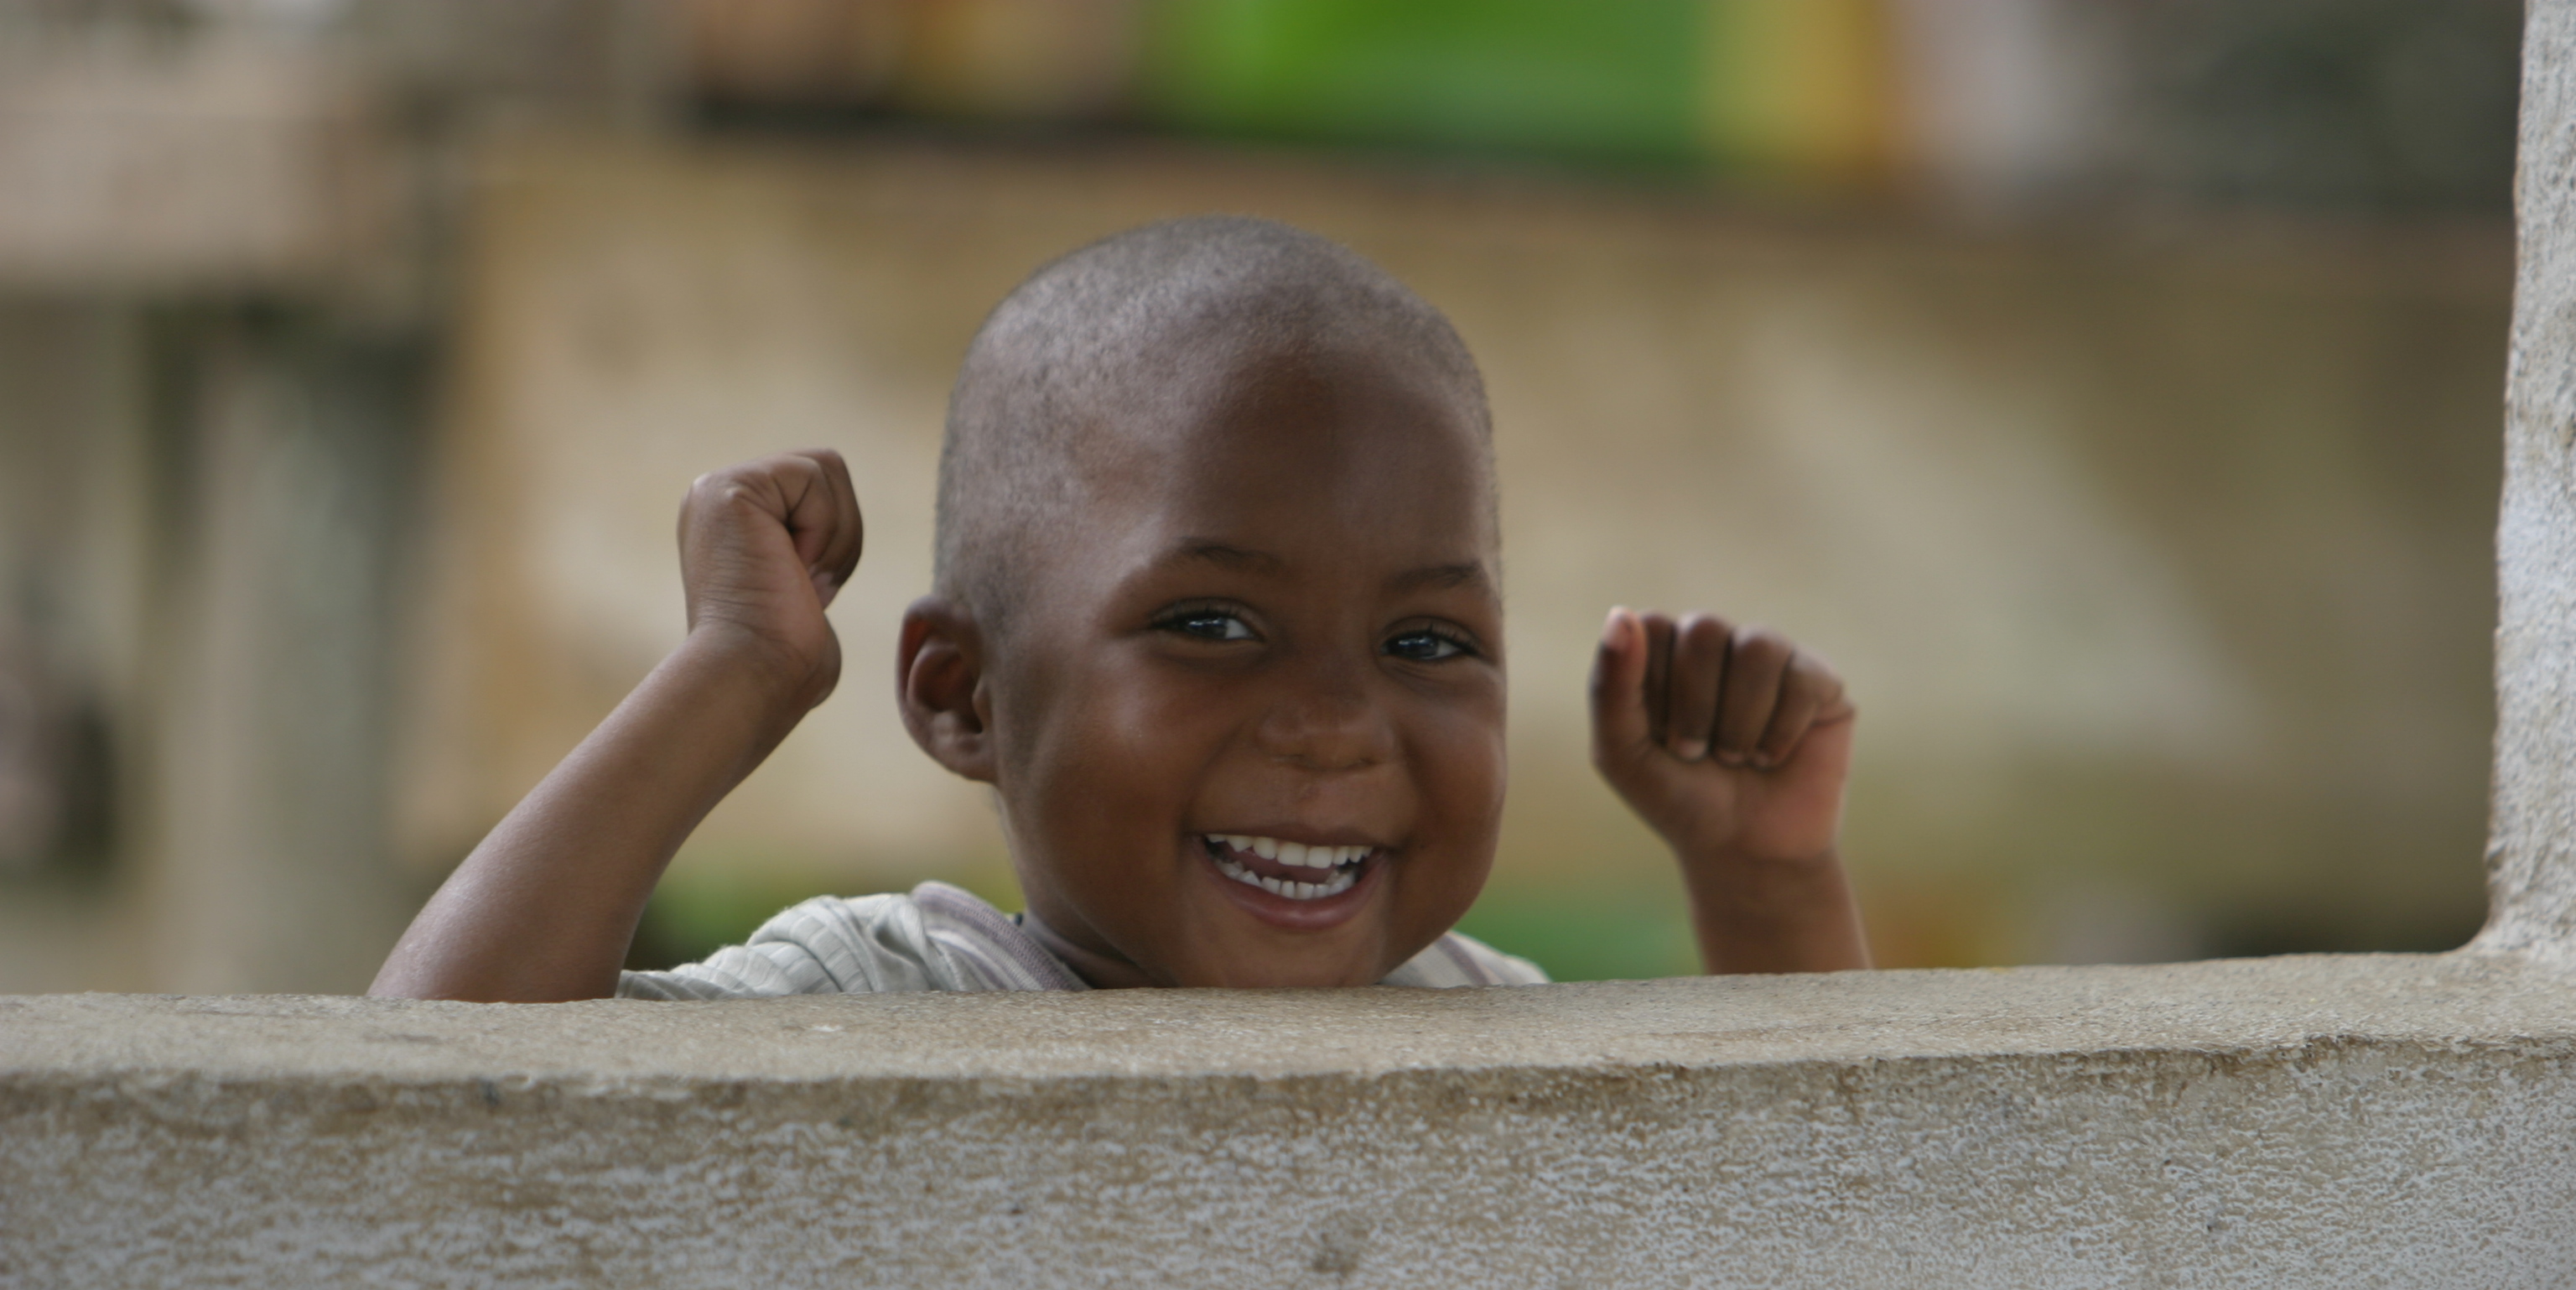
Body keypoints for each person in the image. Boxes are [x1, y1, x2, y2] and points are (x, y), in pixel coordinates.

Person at [371, 216, 1868, 1001]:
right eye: (1213, 623)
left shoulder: (1473, 1015)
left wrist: (1766, 886)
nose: (1339, 723)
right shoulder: (884, 1003)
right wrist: (737, 673)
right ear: (965, 695)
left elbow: (1839, 1239)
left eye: (1426, 644)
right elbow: (433, 1108)